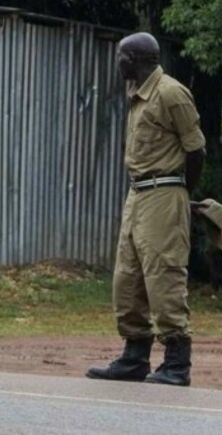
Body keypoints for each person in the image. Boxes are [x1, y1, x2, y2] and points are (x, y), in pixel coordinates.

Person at [86, 32, 206, 387]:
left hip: (164, 193)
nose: (118, 62)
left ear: (136, 58)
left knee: (163, 274)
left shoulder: (170, 93)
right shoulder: (138, 94)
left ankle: (176, 362)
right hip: (137, 194)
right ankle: (134, 355)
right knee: (128, 277)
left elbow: (196, 150)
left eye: (122, 56)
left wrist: (182, 193)